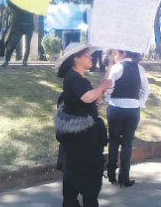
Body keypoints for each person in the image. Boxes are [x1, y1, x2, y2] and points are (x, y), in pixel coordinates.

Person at [55, 42, 112, 207]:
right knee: (84, 175)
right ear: (76, 58)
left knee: (75, 176)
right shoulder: (73, 77)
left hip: (81, 137)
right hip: (81, 139)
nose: (91, 57)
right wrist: (102, 86)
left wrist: (101, 91)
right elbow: (87, 97)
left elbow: (91, 100)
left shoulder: (78, 77)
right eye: (87, 55)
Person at [106, 50, 150, 187]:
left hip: (116, 108)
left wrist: (109, 100)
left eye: (116, 54)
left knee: (113, 141)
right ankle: (124, 178)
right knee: (127, 143)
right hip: (132, 110)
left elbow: (109, 89)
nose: (114, 57)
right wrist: (139, 103)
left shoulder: (116, 68)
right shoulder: (140, 68)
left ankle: (111, 174)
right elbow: (146, 90)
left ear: (123, 54)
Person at [2, 0, 34, 67]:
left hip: (29, 27)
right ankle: (6, 60)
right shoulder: (18, 6)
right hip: (19, 27)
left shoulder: (32, 7)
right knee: (13, 43)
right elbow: (10, 4)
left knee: (27, 45)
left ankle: (25, 60)